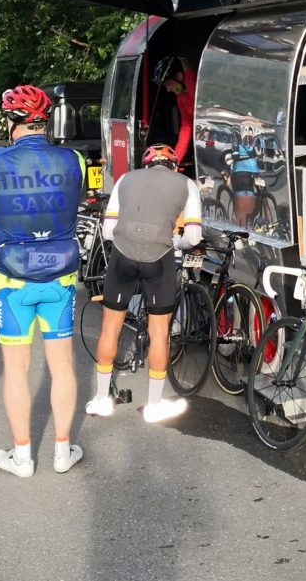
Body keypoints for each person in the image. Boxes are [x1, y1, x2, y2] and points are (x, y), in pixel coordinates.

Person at [0, 85, 85, 477]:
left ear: (11, 121)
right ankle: (62, 452)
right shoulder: (74, 158)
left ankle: (22, 457)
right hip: (61, 276)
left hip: (13, 279)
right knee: (63, 366)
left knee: (16, 370)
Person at [86, 143, 202, 423]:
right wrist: (174, 242)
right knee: (159, 333)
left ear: (146, 164)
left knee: (110, 327)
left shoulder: (125, 179)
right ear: (173, 165)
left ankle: (101, 399)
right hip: (159, 258)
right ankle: (153, 405)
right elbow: (194, 237)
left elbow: (109, 231)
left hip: (122, 256)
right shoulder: (187, 184)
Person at [154, 56, 197, 168]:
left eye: (168, 84)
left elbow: (195, 93)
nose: (168, 90)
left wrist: (185, 65)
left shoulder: (195, 87)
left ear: (179, 76)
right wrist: (175, 161)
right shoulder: (180, 97)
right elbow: (186, 128)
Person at [224, 122, 262, 226]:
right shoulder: (244, 141)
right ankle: (245, 226)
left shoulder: (241, 140)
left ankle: (243, 226)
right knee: (248, 208)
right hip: (247, 174)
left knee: (249, 208)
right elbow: (235, 156)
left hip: (246, 174)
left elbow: (235, 156)